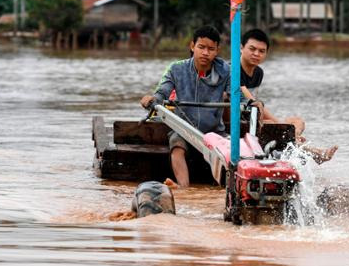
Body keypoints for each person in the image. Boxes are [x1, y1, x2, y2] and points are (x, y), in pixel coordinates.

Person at [140, 25, 230, 187]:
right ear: (192, 46)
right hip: (184, 129)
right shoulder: (176, 68)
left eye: (211, 49)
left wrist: (250, 104)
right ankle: (185, 189)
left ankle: (222, 190)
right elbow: (162, 93)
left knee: (227, 153)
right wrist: (151, 100)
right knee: (177, 148)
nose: (205, 53)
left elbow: (237, 96)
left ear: (217, 50)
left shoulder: (226, 71)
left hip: (215, 130)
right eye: (201, 47)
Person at [239, 28, 337, 164]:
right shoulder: (233, 70)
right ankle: (314, 152)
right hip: (238, 122)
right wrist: (281, 125)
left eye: (261, 51)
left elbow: (258, 107)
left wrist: (286, 128)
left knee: (298, 122)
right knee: (277, 126)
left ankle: (295, 139)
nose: (256, 54)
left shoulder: (258, 73)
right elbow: (253, 102)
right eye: (252, 49)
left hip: (254, 118)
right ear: (241, 48)